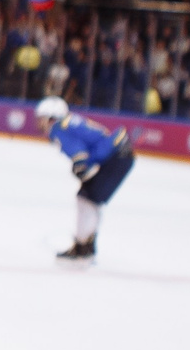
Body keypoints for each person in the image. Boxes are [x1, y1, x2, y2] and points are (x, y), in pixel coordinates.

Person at [39, 95, 131, 261]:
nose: (40, 122)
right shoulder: (69, 122)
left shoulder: (58, 128)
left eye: (42, 118)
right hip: (118, 154)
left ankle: (84, 247)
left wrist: (80, 166)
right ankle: (85, 244)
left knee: (87, 200)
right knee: (88, 199)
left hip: (116, 157)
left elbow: (79, 153)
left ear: (52, 117)